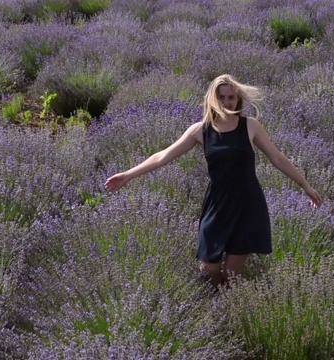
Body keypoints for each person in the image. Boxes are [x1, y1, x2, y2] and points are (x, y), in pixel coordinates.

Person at [104, 74, 322, 290]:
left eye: (231, 98)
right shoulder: (200, 130)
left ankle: (227, 315)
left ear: (238, 100)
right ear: (212, 99)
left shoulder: (250, 126)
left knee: (232, 277)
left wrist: (305, 186)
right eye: (222, 97)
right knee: (209, 270)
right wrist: (128, 174)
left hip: (247, 205)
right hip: (217, 205)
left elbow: (278, 158)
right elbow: (163, 156)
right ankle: (216, 304)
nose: (227, 102)